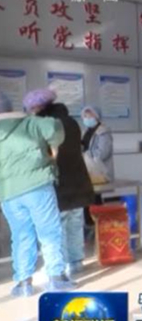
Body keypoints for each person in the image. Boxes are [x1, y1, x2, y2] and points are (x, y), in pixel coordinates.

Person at [0, 92, 76, 296]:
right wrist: (53, 146)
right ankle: (56, 277)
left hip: (8, 191)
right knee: (48, 231)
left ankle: (23, 282)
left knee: (21, 235)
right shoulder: (30, 123)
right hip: (38, 186)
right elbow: (54, 127)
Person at [24, 89, 95, 276]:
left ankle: (60, 266)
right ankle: (76, 262)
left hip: (59, 183)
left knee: (59, 226)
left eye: (32, 109)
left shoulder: (45, 125)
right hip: (79, 181)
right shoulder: (71, 122)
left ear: (39, 108)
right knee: (75, 223)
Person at [81, 106, 115, 182]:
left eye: (90, 116)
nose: (87, 119)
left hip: (102, 172)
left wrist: (86, 155)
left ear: (97, 117)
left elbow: (103, 153)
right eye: (85, 116)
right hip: (89, 170)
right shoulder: (86, 132)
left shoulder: (103, 132)